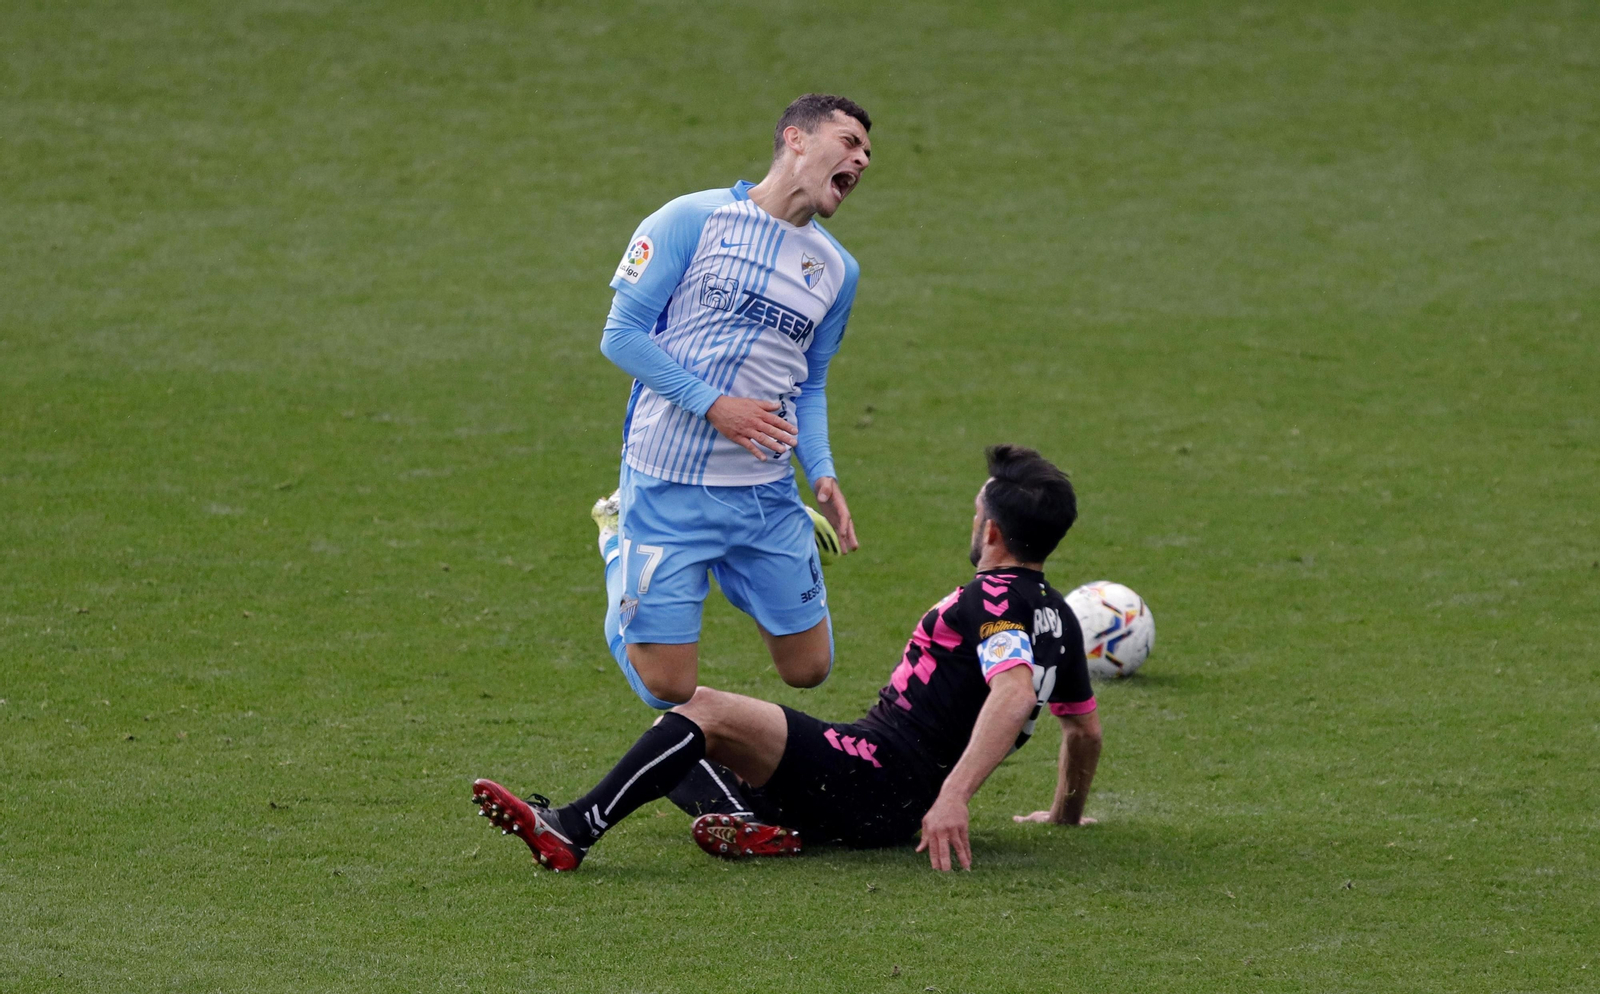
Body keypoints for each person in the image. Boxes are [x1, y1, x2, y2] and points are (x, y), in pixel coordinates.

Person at [475, 445, 1104, 872]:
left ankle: (571, 830)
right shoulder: (1062, 618)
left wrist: (955, 797)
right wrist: (1063, 816)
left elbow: (1014, 691)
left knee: (700, 711)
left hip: (882, 774)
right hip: (887, 792)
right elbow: (1083, 731)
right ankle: (757, 823)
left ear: (991, 531)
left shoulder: (991, 598)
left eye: (976, 513)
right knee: (681, 749)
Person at [590, 93, 873, 710]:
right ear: (796, 138)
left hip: (764, 494)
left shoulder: (836, 270)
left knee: (809, 669)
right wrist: (715, 405)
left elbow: (812, 382)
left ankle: (736, 562)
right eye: (850, 141)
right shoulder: (690, 220)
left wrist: (820, 472)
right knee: (670, 688)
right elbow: (621, 336)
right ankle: (619, 537)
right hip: (667, 484)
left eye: (869, 152)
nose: (863, 159)